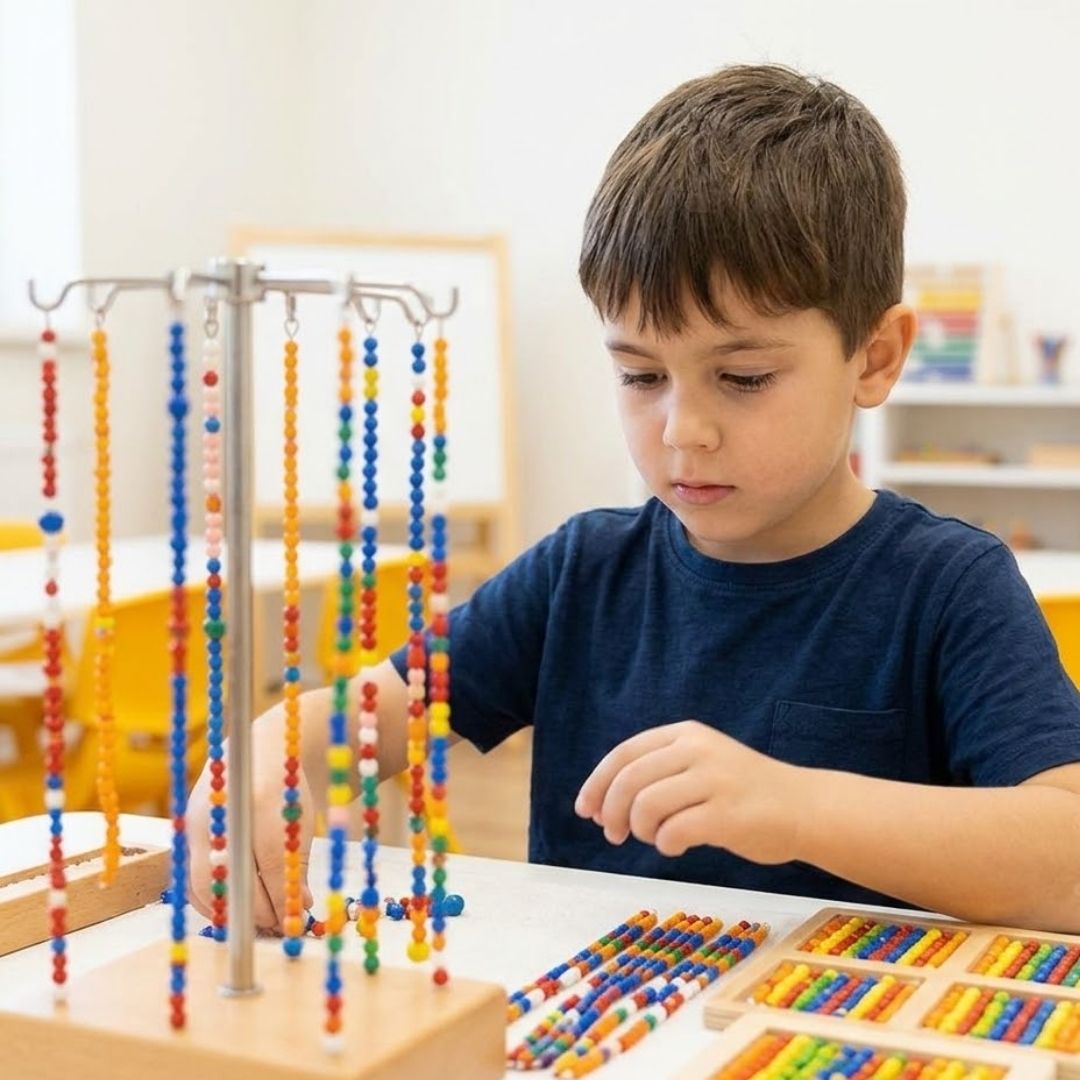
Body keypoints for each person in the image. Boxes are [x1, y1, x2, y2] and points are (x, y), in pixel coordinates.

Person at [188, 64, 1080, 934]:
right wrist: (265, 754)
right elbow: (357, 725)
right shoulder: (580, 574)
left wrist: (797, 806)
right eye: (640, 374)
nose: (682, 428)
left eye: (742, 376)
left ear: (876, 357)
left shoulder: (949, 586)